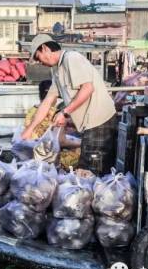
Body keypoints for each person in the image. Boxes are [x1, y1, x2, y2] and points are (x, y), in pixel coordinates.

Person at [21, 34, 117, 175]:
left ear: (45, 48)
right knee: (86, 171)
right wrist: (30, 129)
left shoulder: (71, 59)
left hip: (99, 122)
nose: (38, 62)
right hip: (89, 125)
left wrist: (65, 113)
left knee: (89, 172)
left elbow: (88, 88)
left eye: (37, 56)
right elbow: (47, 102)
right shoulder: (58, 71)